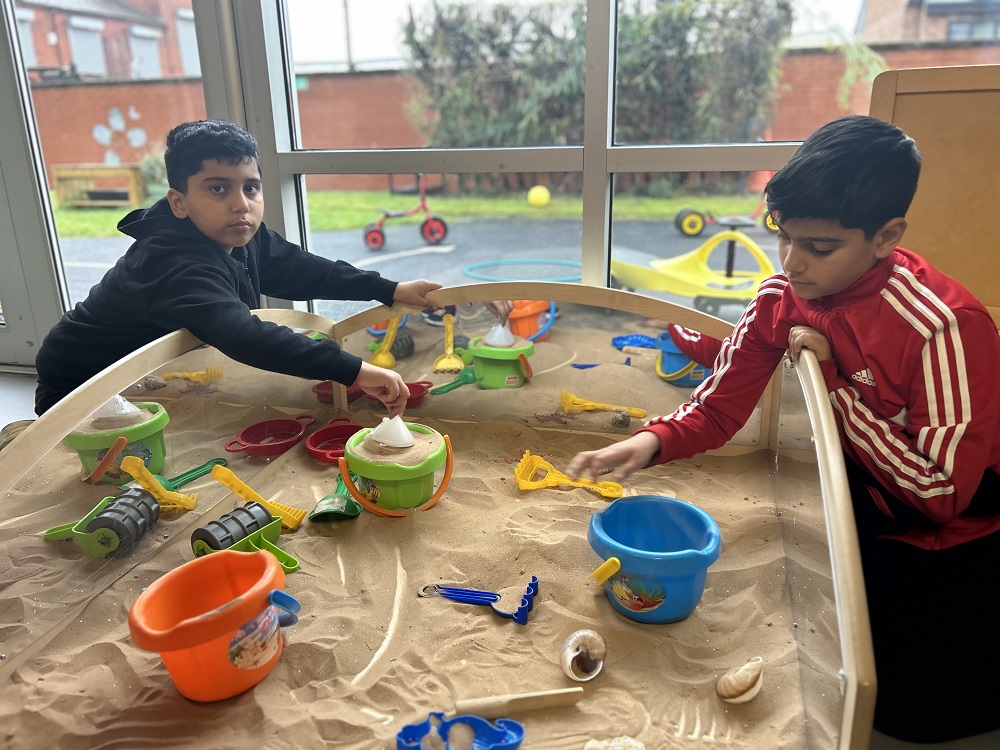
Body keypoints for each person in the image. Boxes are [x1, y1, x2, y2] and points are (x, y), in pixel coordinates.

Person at [568, 115, 1000, 744]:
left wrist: (832, 384)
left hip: (954, 533)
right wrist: (651, 441)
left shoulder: (944, 324)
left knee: (914, 713)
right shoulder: (780, 297)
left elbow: (942, 496)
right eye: (784, 237)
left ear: (887, 236)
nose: (792, 263)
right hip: (860, 487)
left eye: (819, 247)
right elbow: (719, 406)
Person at [31, 119, 506, 420]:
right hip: (84, 379)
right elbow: (244, 335)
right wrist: (353, 370)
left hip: (144, 370)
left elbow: (302, 269)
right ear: (178, 201)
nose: (241, 205)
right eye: (218, 189)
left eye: (251, 188)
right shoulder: (175, 263)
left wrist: (388, 286)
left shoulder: (237, 232)